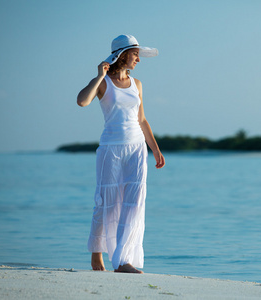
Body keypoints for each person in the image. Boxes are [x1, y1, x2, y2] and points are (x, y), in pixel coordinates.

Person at [77, 34, 165, 274]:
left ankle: (123, 259)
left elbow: (142, 119)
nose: (139, 59)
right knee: (106, 203)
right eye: (136, 54)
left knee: (134, 203)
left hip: (137, 149)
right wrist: (99, 76)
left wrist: (155, 150)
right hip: (111, 149)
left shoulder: (137, 84)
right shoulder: (104, 83)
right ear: (123, 54)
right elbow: (82, 102)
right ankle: (97, 253)